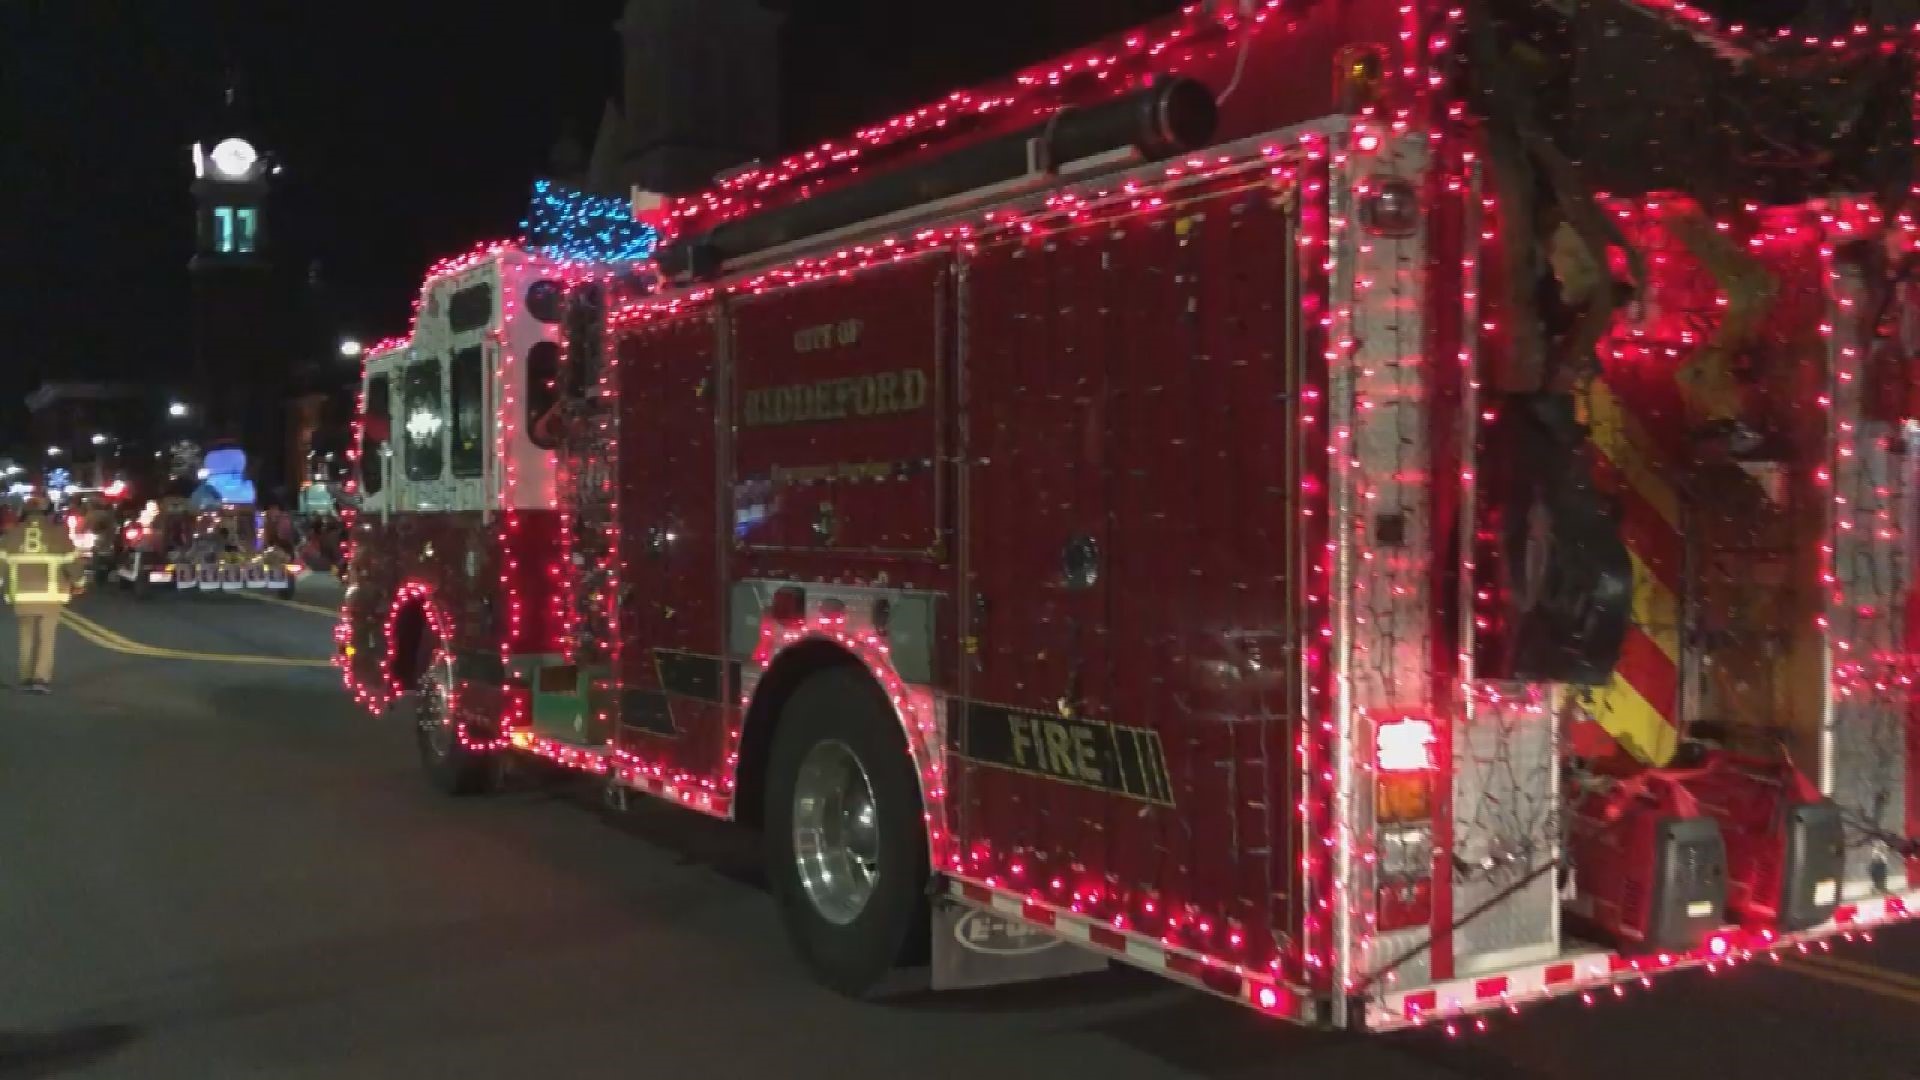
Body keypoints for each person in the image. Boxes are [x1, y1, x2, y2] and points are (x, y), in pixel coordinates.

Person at [0, 496, 85, 693]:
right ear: (49, 513)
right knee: (47, 637)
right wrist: (79, 583)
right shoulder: (58, 534)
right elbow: (73, 564)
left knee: (26, 636)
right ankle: (41, 679)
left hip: (21, 595)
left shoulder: (11, 536)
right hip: (51, 593)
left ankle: (26, 676)